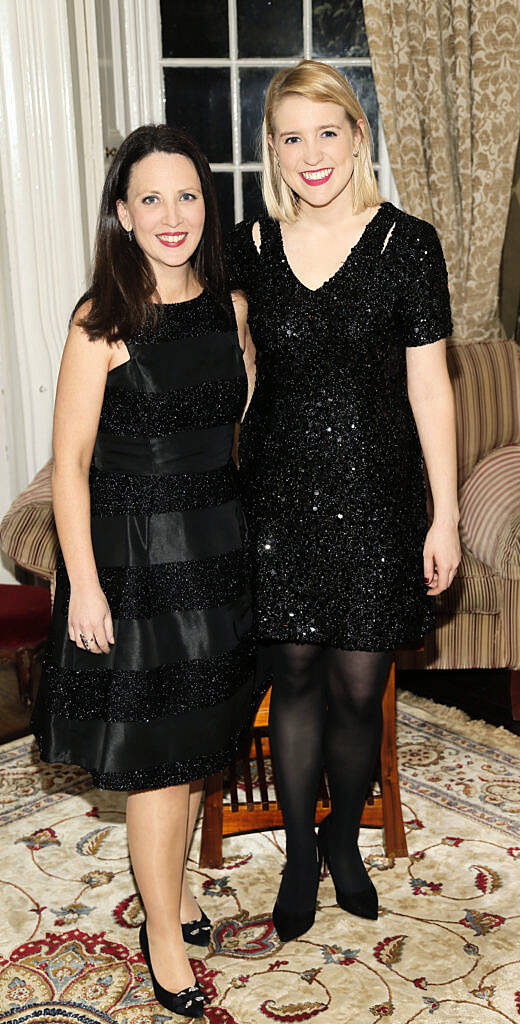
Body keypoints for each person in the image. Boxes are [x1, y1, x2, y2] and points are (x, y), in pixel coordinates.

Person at [226, 60, 461, 942]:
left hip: (379, 501)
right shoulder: (246, 248)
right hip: (278, 501)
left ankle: (342, 837)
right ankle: (295, 852)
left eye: (328, 132)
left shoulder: (410, 244)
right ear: (273, 150)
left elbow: (432, 388)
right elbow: (237, 377)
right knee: (291, 678)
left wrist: (446, 514)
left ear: (358, 137)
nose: (311, 153)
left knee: (360, 690)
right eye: (291, 136)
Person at [32, 124, 256, 1017]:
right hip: (135, 563)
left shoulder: (231, 307)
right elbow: (71, 465)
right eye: (151, 198)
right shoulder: (103, 322)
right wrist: (82, 583)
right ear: (123, 214)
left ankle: (179, 892)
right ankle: (161, 932)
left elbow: (242, 429)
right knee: (161, 761)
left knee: (202, 734)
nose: (173, 216)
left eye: (189, 195)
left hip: (218, 554)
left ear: (209, 205)